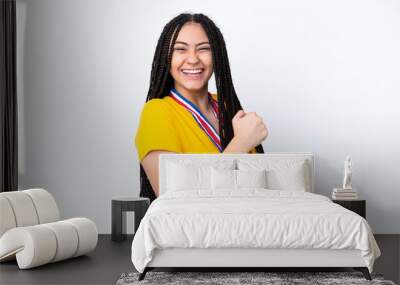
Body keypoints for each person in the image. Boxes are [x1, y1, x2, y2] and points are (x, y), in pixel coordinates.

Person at [135, 13, 269, 202]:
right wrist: (241, 143)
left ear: (217, 55)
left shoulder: (227, 107)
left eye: (203, 49)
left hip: (245, 224)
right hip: (195, 230)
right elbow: (172, 198)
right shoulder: (157, 111)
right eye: (180, 49)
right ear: (167, 57)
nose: (193, 59)